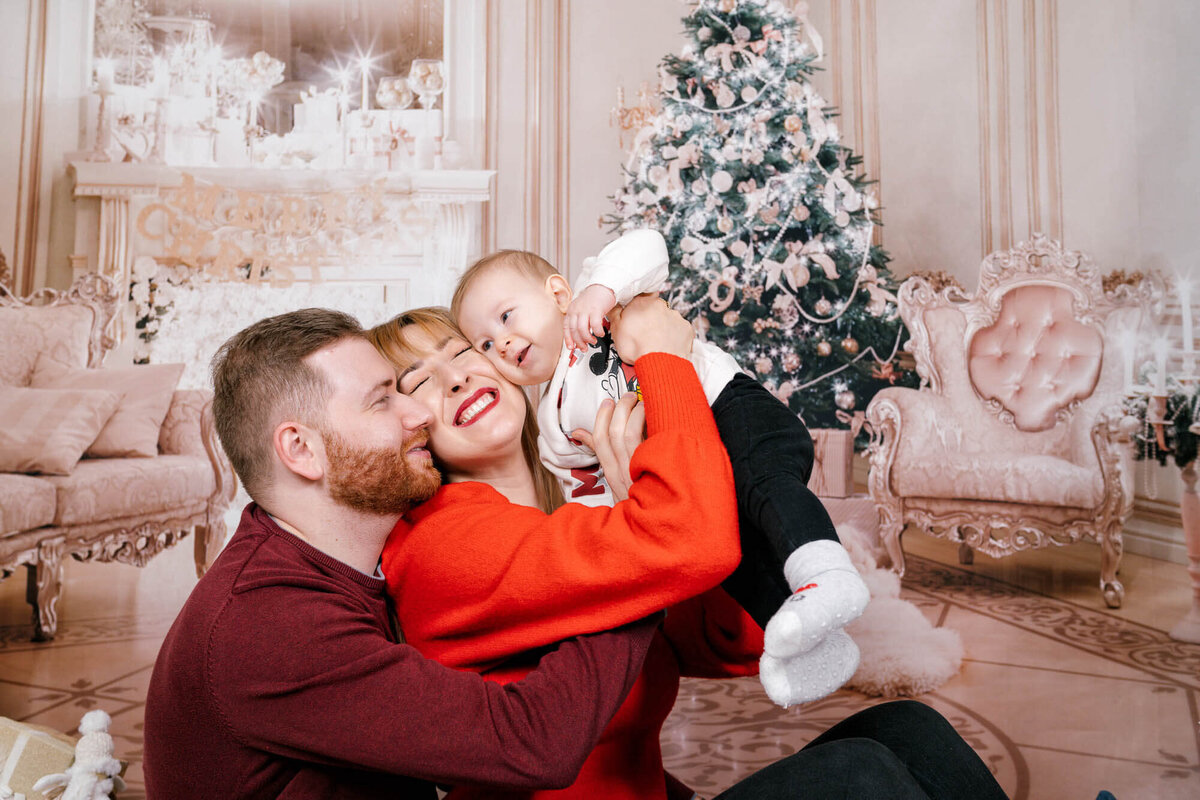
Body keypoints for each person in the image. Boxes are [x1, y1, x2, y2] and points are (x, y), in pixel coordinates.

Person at [369, 298, 1009, 800]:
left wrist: (672, 520)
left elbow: (723, 638)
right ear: (406, 428)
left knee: (910, 731)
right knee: (858, 778)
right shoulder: (441, 543)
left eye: (461, 352)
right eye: (420, 380)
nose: (455, 379)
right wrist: (662, 360)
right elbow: (688, 544)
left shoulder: (562, 513)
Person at [142, 308, 668, 799]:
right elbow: (532, 743)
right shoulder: (268, 625)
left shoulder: (336, 566)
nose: (417, 413)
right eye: (383, 399)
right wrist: (636, 539)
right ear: (301, 450)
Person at [450, 230, 867, 707]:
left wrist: (603, 288)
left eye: (506, 316)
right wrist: (622, 529)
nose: (501, 341)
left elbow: (648, 246)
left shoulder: (595, 301)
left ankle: (827, 572)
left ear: (558, 294)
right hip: (694, 472)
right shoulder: (553, 416)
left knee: (763, 481)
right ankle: (814, 643)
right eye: (484, 344)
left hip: (726, 408)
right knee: (735, 556)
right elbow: (584, 493)